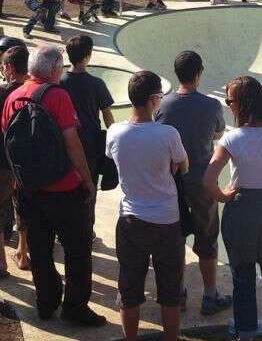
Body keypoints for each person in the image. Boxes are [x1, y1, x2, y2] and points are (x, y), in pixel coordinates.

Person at [1, 45, 105, 327]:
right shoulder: (58, 95)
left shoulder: (14, 96)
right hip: (63, 187)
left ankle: (46, 303)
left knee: (40, 248)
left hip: (29, 188)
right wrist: (86, 179)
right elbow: (73, 144)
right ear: (56, 70)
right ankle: (75, 307)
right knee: (77, 249)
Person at [204, 76, 262, 341]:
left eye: (230, 100)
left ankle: (246, 334)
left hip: (242, 213)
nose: (228, 105)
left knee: (243, 279)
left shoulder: (233, 139)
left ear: (242, 104)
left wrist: (224, 196)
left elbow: (208, 180)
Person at [106, 70, 189, 341]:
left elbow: (113, 157)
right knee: (170, 289)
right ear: (154, 99)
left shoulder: (115, 131)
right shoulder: (168, 134)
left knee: (130, 287)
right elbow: (183, 166)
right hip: (166, 219)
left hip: (130, 218)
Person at [155, 51, 231, 315]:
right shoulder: (211, 105)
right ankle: (210, 295)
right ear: (199, 73)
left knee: (175, 234)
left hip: (172, 181)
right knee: (207, 237)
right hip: (202, 181)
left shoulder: (162, 105)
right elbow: (219, 132)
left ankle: (177, 294)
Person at [61, 36, 114, 231]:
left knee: (68, 186)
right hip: (90, 145)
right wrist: (114, 139)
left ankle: (66, 228)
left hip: (66, 143)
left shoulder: (61, 83)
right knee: (89, 187)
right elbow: (107, 116)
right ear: (87, 56)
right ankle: (87, 228)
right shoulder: (96, 83)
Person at [0, 46, 30, 275]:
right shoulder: (35, 92)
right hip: (26, 163)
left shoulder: (2, 93)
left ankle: (1, 262)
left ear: (9, 68)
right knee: (24, 208)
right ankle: (22, 252)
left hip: (3, 161)